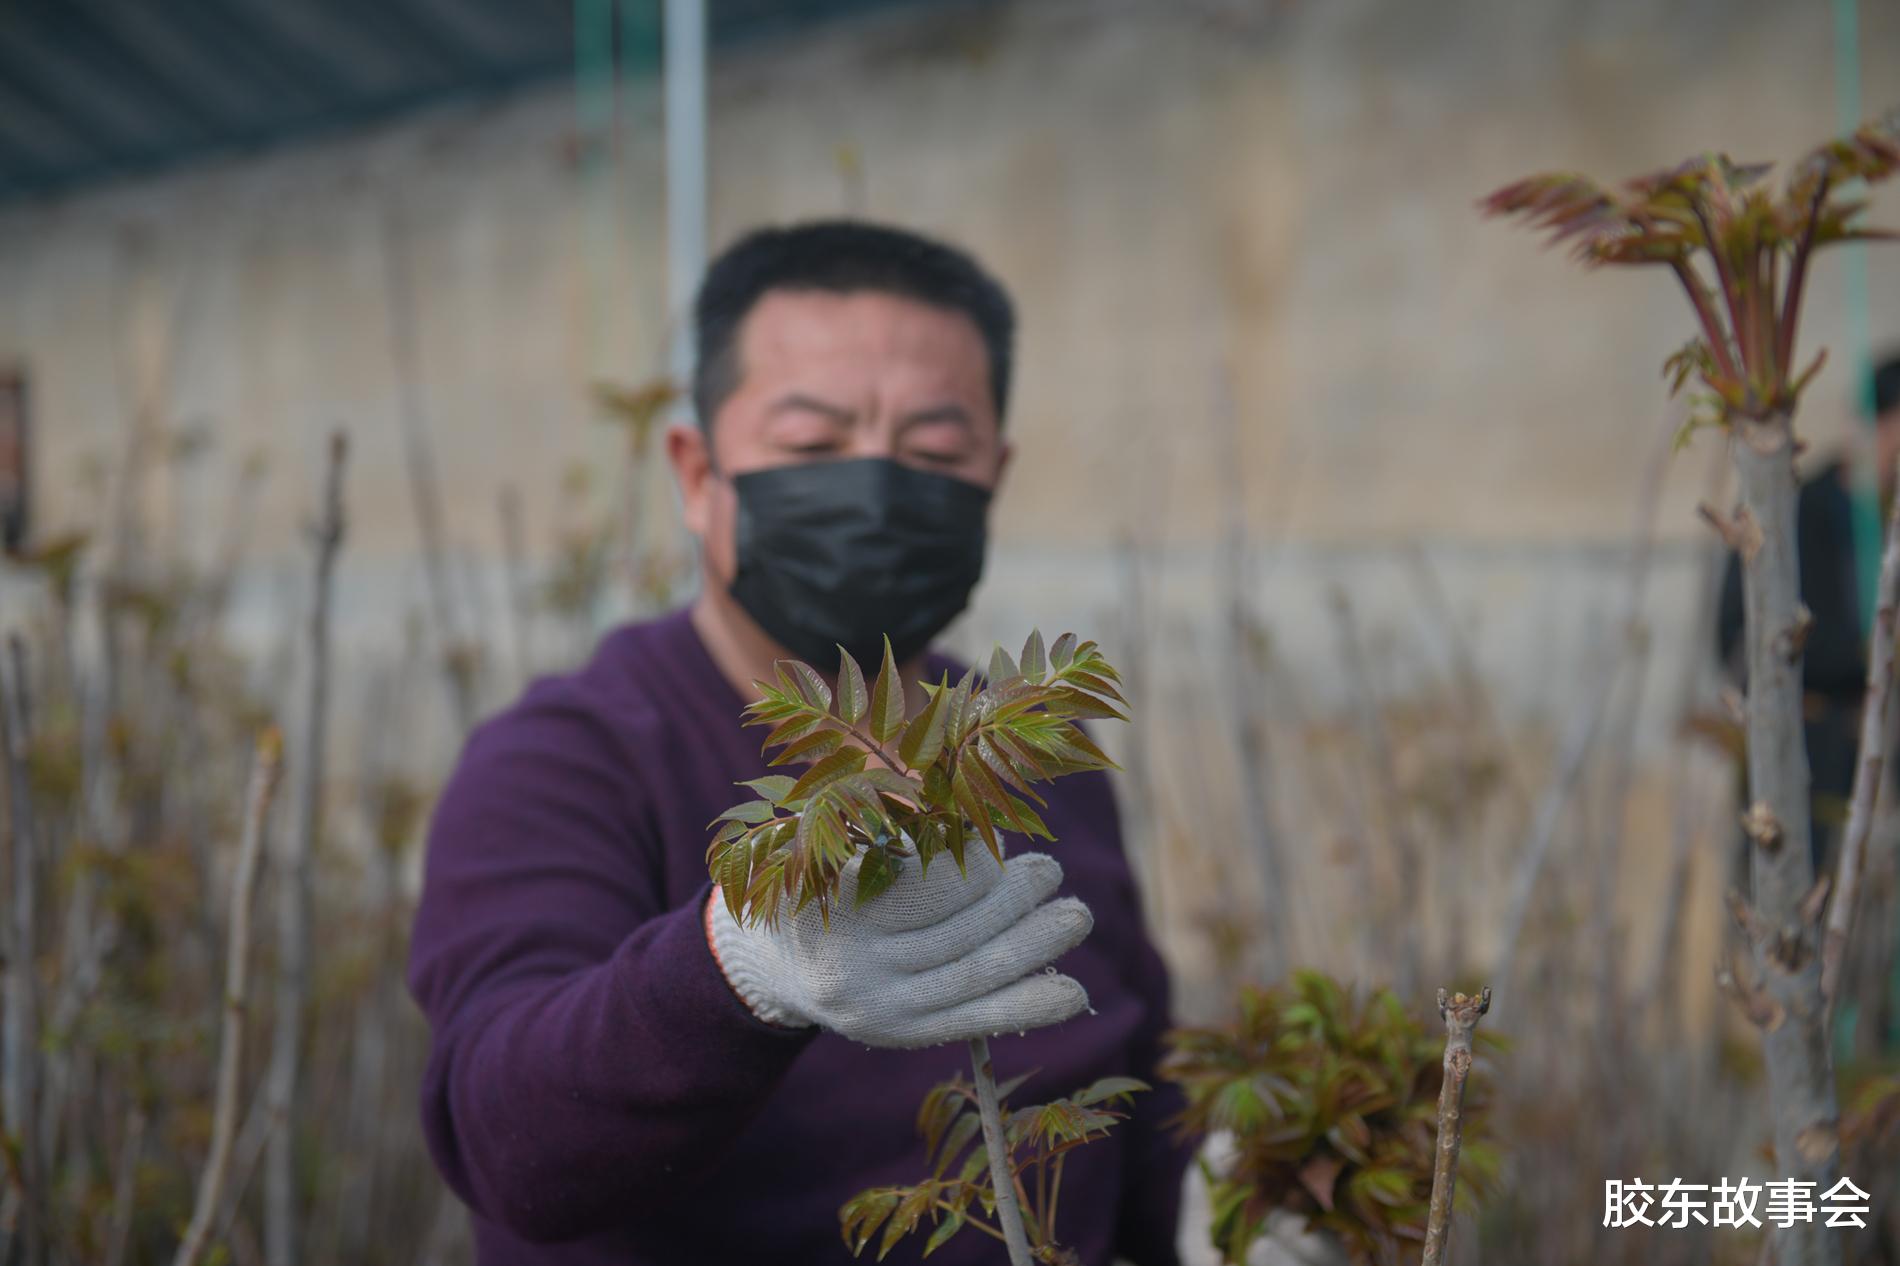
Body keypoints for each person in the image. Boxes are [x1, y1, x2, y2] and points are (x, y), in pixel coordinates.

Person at [407, 221, 1192, 1265]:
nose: (872, 493)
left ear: (993, 477)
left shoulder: (1031, 750)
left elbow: (1126, 1093)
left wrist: (1221, 1217)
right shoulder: (564, 761)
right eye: (812, 446)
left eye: (932, 452)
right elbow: (504, 1137)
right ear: (697, 473)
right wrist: (740, 968)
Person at [1716, 351, 1900, 873]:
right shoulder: (1794, 511)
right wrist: (1865, 655)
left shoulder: (1889, 523)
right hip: (1807, 764)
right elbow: (1738, 637)